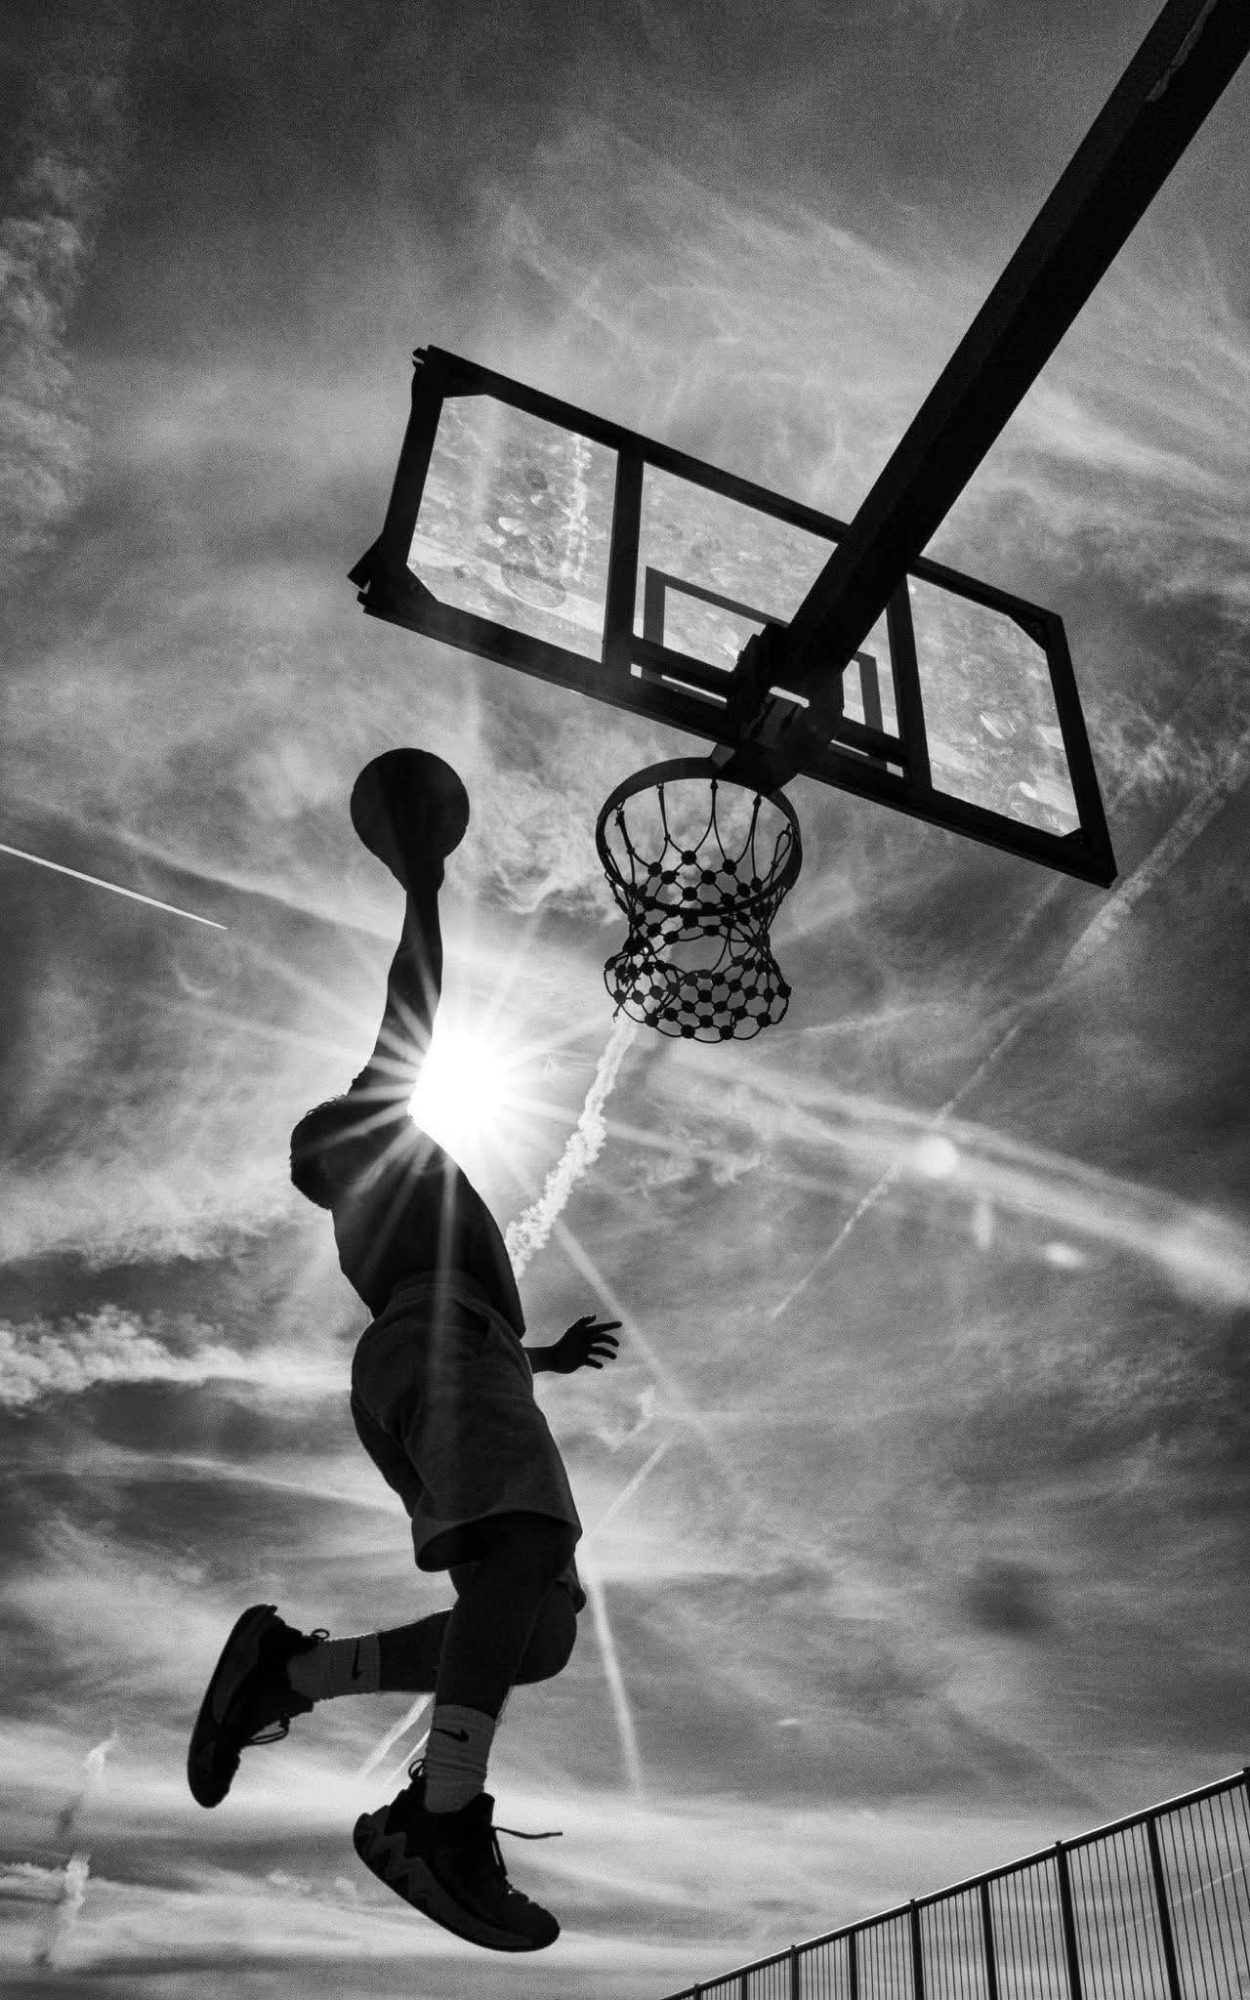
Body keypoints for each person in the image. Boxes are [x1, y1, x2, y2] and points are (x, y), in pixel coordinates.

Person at [187, 748, 620, 1954]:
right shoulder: (375, 1148)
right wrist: (422, 882)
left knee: (533, 1631)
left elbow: (457, 1336)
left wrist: (538, 1358)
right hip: (440, 1351)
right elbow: (413, 1005)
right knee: (522, 1554)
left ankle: (286, 1675)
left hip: (455, 1357)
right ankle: (437, 1818)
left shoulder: (390, 1220)